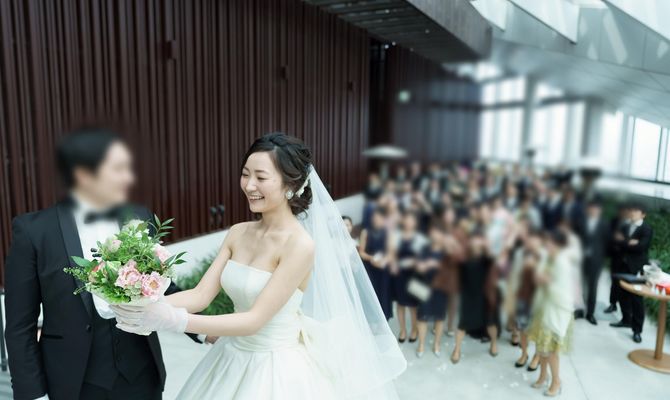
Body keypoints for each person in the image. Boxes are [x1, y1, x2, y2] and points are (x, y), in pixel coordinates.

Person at [110, 133, 406, 399]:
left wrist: (176, 320)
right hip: (231, 356)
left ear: (291, 184)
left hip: (276, 368)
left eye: (261, 177)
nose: (249, 185)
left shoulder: (300, 245)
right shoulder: (238, 232)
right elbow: (200, 295)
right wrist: (141, 306)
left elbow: (254, 320)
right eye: (245, 174)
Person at [5, 127, 199, 400]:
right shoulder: (34, 231)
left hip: (143, 375)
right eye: (118, 169)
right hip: (73, 383)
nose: (128, 177)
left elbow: (161, 286)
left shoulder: (140, 217)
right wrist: (33, 395)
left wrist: (202, 329)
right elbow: (19, 326)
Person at [528, 230, 574, 397]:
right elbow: (537, 278)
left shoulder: (563, 263)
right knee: (541, 348)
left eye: (550, 242)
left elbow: (565, 293)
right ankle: (542, 376)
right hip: (543, 309)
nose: (546, 244)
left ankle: (556, 381)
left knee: (552, 352)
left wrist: (546, 282)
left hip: (556, 312)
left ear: (559, 245)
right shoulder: (547, 257)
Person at [450, 231, 499, 364]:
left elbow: (494, 261)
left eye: (479, 240)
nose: (476, 243)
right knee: (463, 324)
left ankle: (494, 343)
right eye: (474, 240)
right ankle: (457, 349)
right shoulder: (464, 257)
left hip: (485, 295)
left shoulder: (487, 259)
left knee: (490, 322)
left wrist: (487, 246)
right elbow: (454, 262)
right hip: (468, 295)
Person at [610, 202, 652, 343]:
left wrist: (625, 241)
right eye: (632, 210)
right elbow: (616, 242)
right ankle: (625, 320)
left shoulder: (646, 228)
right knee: (622, 294)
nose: (632, 213)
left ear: (643, 214)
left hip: (637, 267)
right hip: (622, 264)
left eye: (636, 211)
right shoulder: (625, 226)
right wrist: (630, 242)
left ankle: (637, 330)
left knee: (636, 299)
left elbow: (641, 247)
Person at [392, 212, 426, 343]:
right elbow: (392, 254)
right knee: (400, 304)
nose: (408, 223)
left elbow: (424, 257)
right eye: (406, 220)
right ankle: (402, 330)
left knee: (413, 305)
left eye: (411, 220)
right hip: (399, 274)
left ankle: (414, 329)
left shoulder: (419, 238)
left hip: (414, 275)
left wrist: (415, 262)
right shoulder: (396, 236)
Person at [415, 224, 448, 357]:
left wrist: (436, 264)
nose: (435, 236)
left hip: (442, 288)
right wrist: (422, 266)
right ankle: (421, 344)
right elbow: (418, 267)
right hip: (424, 286)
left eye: (438, 233)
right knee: (422, 316)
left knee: (439, 317)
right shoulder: (424, 249)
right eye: (433, 233)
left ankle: (436, 344)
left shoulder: (447, 251)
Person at [359, 207, 396, 320]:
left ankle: (385, 318)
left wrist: (383, 261)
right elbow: (361, 252)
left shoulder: (389, 232)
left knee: (384, 293)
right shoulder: (365, 232)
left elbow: (391, 253)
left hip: (384, 269)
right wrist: (372, 259)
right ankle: (371, 320)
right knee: (371, 294)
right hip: (370, 268)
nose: (377, 219)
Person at [580, 201, 610, 325]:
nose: (593, 211)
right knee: (580, 286)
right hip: (581, 259)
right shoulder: (582, 222)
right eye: (591, 208)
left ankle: (590, 313)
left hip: (596, 261)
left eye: (596, 209)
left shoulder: (604, 224)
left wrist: (601, 257)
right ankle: (579, 310)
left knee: (592, 287)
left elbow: (608, 242)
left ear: (600, 211)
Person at [604, 205, 630, 314]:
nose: (622, 212)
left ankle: (626, 311)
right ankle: (613, 304)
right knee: (614, 281)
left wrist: (622, 240)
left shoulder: (631, 224)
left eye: (625, 210)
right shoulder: (614, 221)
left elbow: (632, 241)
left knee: (625, 284)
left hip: (627, 258)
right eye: (621, 210)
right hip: (615, 255)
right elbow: (608, 235)